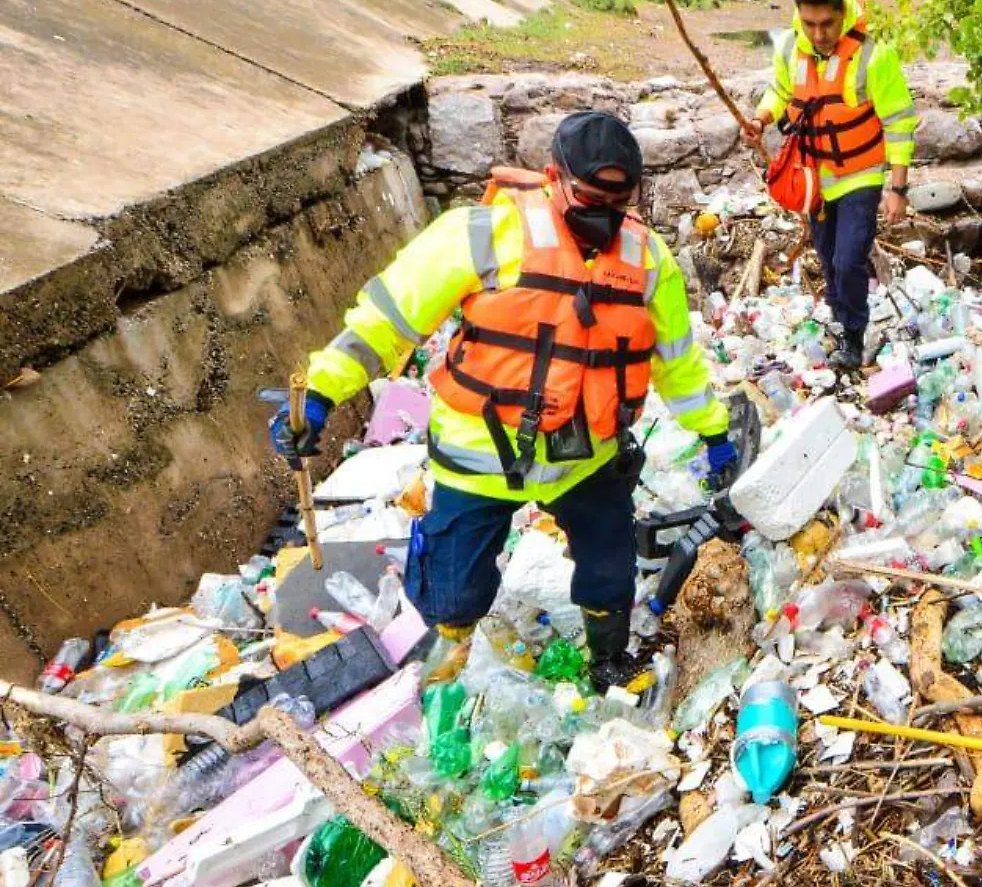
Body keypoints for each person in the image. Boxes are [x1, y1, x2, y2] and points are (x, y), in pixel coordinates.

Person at [270, 111, 737, 693]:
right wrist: (319, 392)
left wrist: (714, 431)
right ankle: (446, 647)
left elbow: (676, 363)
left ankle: (609, 660)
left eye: (617, 205)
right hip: (479, 456)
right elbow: (386, 322)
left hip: (585, 457)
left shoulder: (647, 261)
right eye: (589, 198)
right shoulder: (482, 232)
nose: (603, 216)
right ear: (552, 177)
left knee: (609, 568)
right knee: (455, 595)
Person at [750, 0, 919, 371]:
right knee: (827, 257)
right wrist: (760, 119)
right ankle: (842, 320)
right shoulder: (791, 48)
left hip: (860, 176)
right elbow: (781, 91)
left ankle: (853, 333)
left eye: (827, 23)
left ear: (842, 12)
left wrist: (897, 190)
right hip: (815, 180)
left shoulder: (874, 58)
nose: (819, 34)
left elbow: (899, 122)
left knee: (848, 259)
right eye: (810, 24)